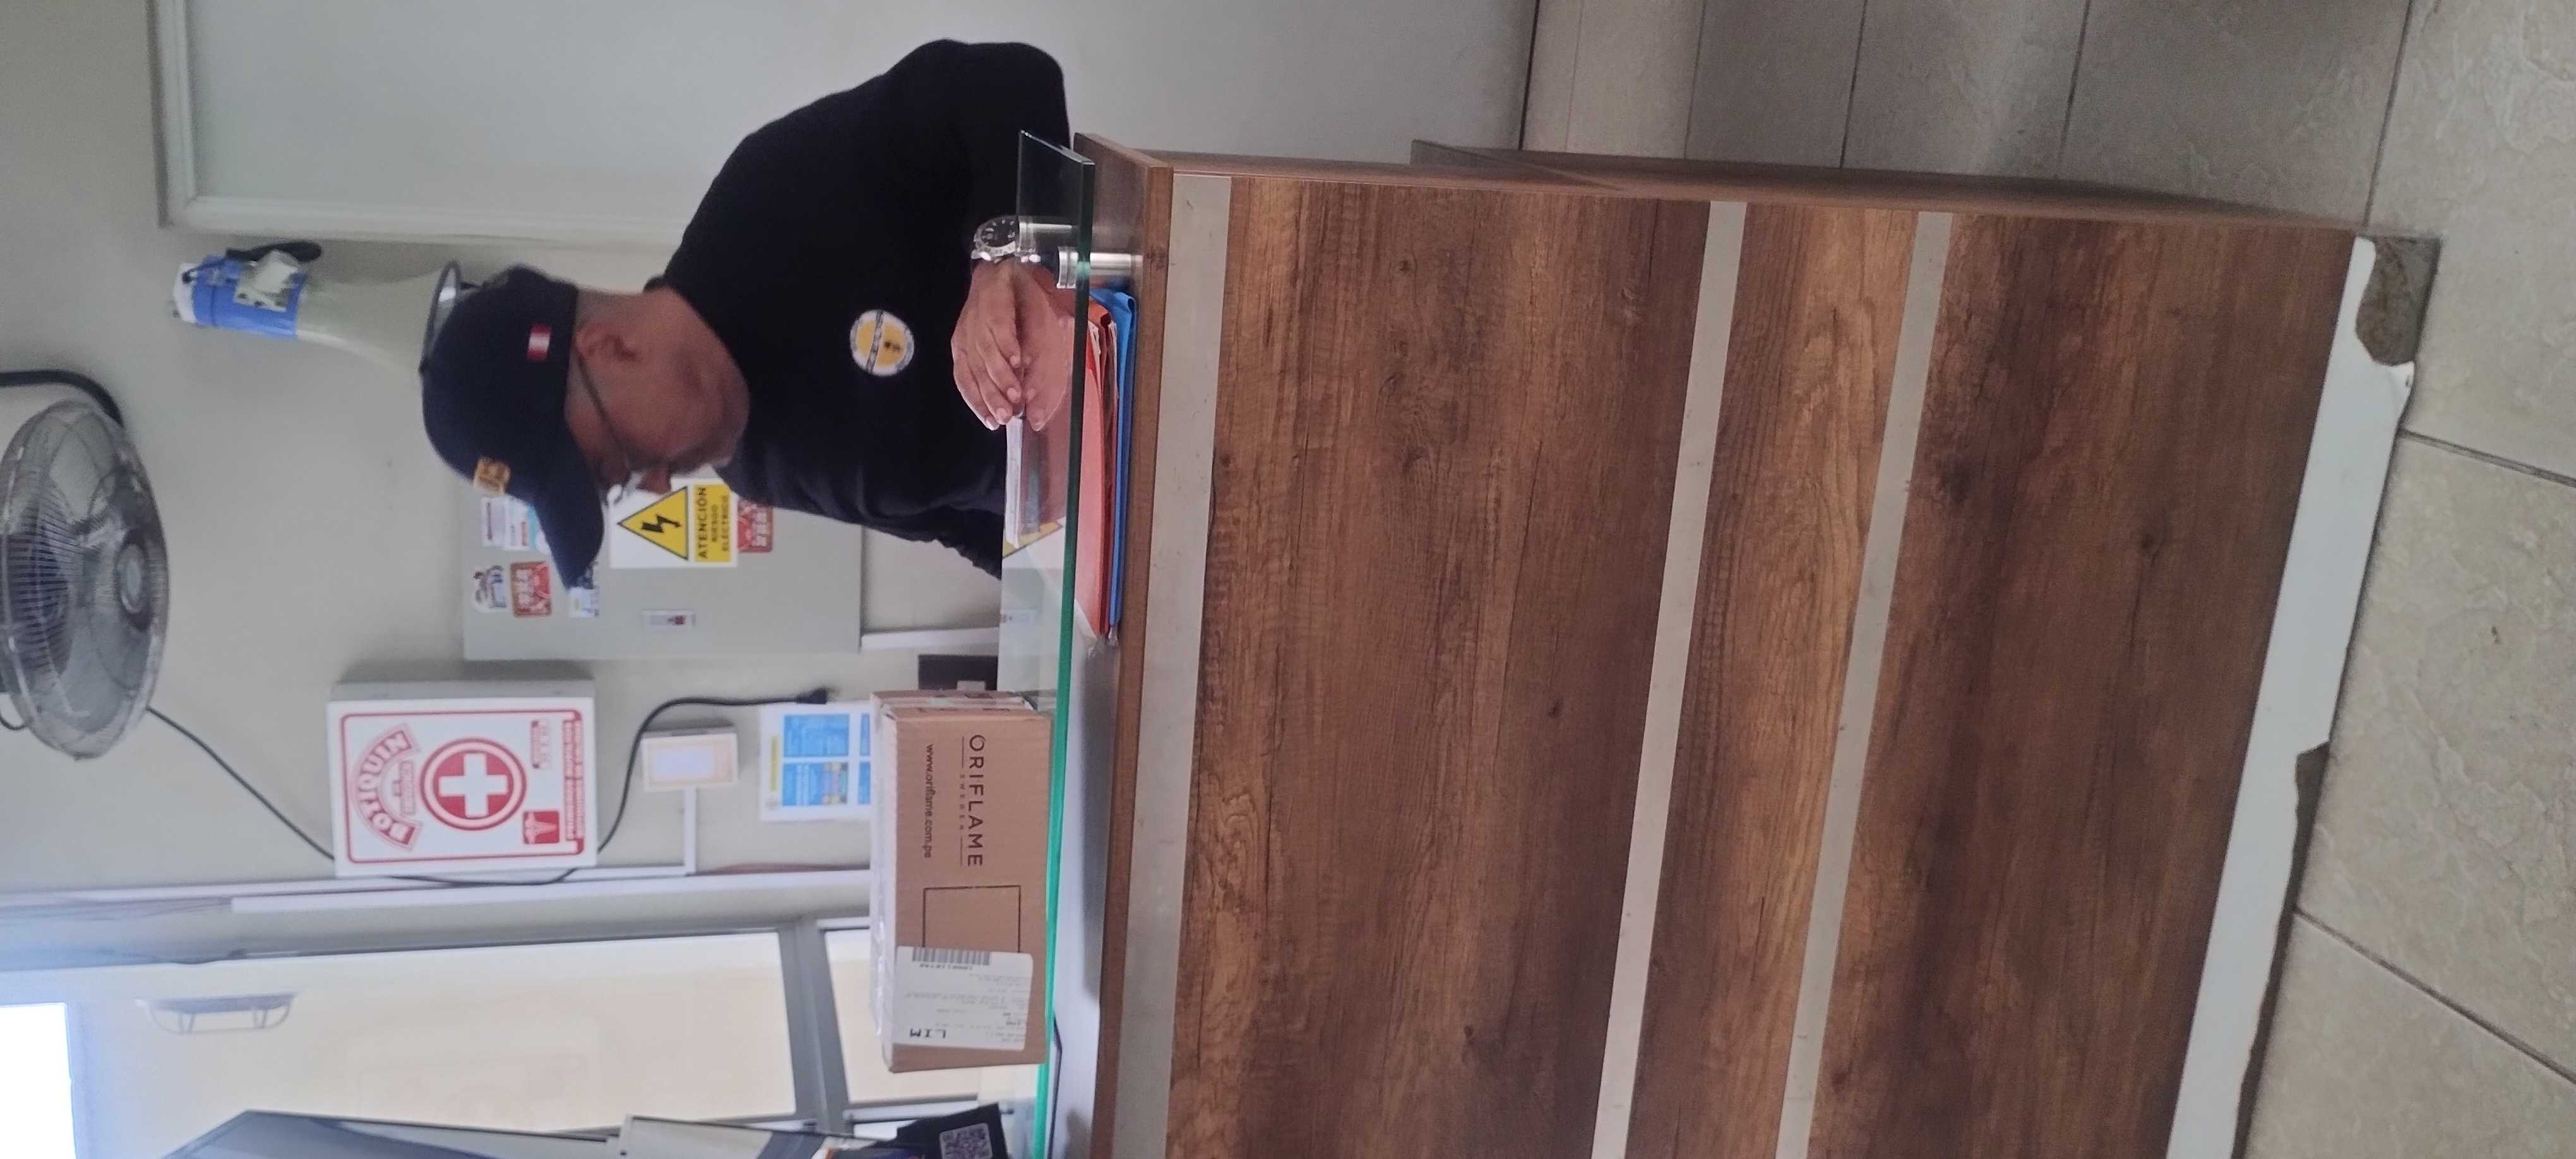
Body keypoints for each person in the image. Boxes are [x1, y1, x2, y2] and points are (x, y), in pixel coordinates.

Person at [417, 40, 1073, 583]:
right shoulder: (759, 473)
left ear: (608, 347)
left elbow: (1012, 79)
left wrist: (1006, 257)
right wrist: (1062, 615)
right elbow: (961, 524)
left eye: (620, 459)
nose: (657, 484)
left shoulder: (765, 200)